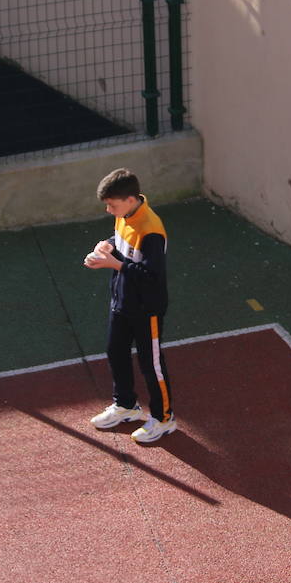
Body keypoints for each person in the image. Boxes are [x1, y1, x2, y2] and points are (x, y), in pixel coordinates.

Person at [85, 169, 176, 444]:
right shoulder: (124, 216)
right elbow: (123, 244)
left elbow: (151, 275)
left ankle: (163, 419)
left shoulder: (151, 230)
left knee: (152, 366)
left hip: (146, 309)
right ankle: (126, 405)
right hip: (122, 301)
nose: (108, 209)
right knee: (116, 352)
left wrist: (114, 264)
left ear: (129, 199)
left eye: (112, 204)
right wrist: (108, 246)